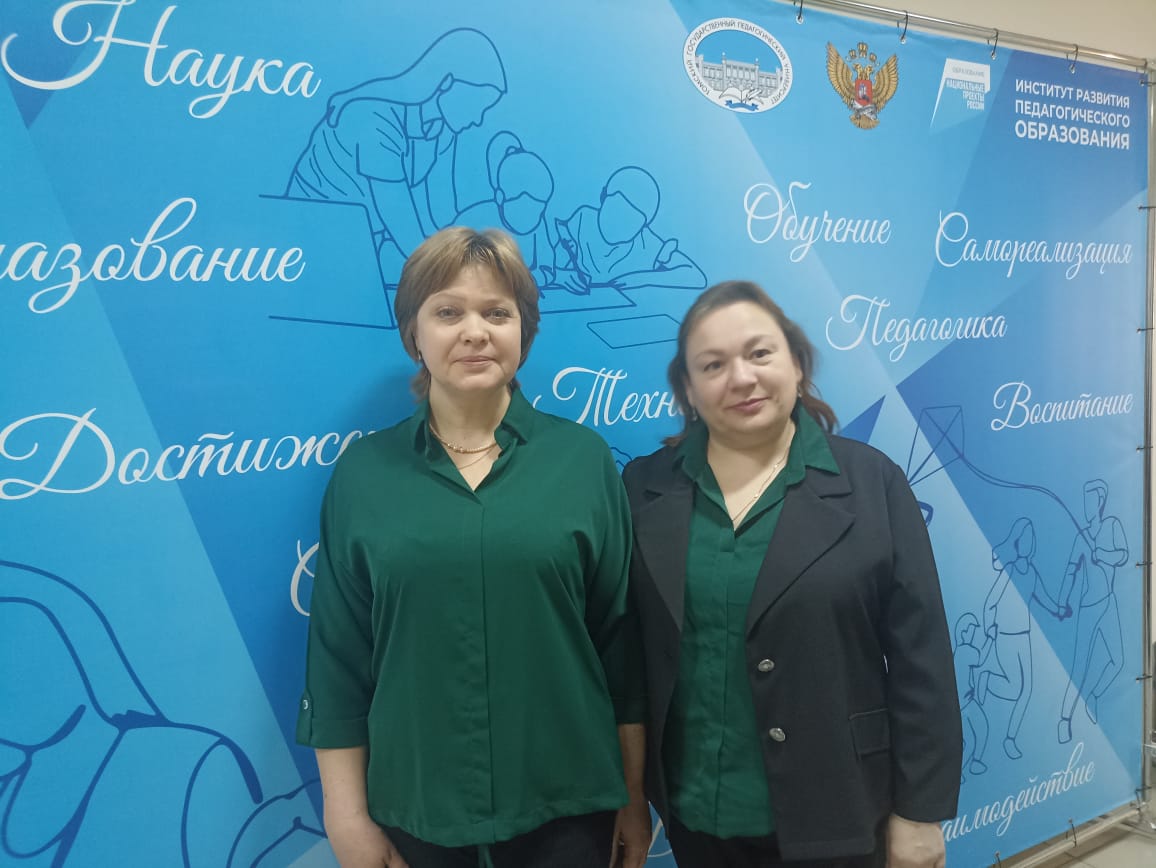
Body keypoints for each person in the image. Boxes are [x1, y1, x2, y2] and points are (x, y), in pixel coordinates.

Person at [296, 227, 648, 868]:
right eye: (448, 312)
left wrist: (632, 796)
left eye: (497, 313)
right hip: (417, 813)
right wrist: (344, 815)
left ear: (524, 331)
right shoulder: (363, 475)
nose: (475, 332)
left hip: (570, 807)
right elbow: (338, 661)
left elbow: (621, 649)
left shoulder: (582, 460)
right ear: (415, 333)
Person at [622, 281, 962, 868]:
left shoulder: (872, 483)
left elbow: (921, 659)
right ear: (688, 388)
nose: (742, 377)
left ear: (797, 364)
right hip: (698, 816)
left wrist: (919, 812)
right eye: (713, 364)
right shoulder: (643, 488)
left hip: (839, 810)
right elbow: (629, 655)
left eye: (760, 353)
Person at [286, 29, 507, 281]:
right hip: (314, 235)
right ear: (446, 83)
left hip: (367, 239)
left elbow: (431, 219)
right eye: (476, 103)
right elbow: (400, 222)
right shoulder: (372, 117)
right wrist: (460, 277)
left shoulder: (441, 131)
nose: (478, 119)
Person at [978, 517, 1065, 759]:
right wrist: (989, 628)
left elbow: (1043, 597)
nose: (1027, 542)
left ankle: (1010, 738)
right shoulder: (1011, 570)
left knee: (1026, 690)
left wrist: (1059, 609)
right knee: (1015, 688)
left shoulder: (1031, 572)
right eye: (1023, 538)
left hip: (1023, 637)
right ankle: (987, 679)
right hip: (1005, 637)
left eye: (1030, 538)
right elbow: (990, 602)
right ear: (1016, 542)